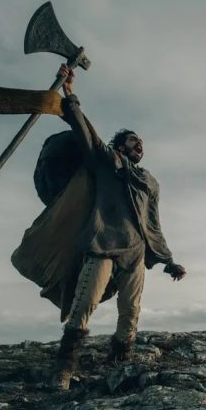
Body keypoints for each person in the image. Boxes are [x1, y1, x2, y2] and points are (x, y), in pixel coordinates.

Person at [53, 65, 186, 390]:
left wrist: (168, 260)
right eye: (132, 141)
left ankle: (119, 364)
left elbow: (153, 223)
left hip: (136, 254)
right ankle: (63, 371)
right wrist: (70, 95)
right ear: (120, 145)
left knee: (131, 313)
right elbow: (87, 133)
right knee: (84, 306)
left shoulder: (148, 181)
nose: (139, 145)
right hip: (102, 245)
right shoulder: (106, 161)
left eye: (141, 143)